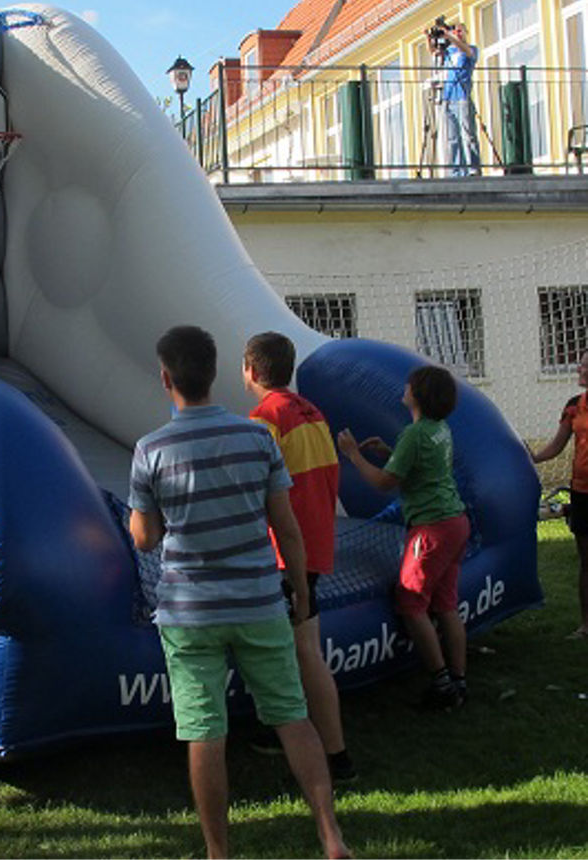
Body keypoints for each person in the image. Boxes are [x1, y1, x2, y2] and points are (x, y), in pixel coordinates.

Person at [129, 326, 349, 860]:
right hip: (258, 600)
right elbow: (288, 528)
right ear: (217, 372)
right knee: (292, 717)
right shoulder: (255, 439)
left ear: (166, 378)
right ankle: (330, 835)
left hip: (190, 610)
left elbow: (144, 537)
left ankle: (218, 852)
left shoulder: (151, 449)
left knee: (205, 732)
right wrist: (298, 590)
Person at [242, 332, 355, 783]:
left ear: (250, 370)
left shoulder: (264, 419)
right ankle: (288, 728)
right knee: (295, 647)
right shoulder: (313, 413)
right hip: (312, 546)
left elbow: (255, 491)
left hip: (286, 552)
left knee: (305, 651)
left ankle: (337, 756)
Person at [335, 365, 470, 711]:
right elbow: (419, 465)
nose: (405, 386)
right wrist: (387, 452)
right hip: (455, 521)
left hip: (432, 528)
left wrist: (354, 454)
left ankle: (441, 682)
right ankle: (458, 679)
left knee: (411, 604)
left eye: (410, 384)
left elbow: (384, 483)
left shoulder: (415, 435)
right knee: (445, 604)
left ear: (419, 394)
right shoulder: (437, 429)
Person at [529, 351, 588, 639]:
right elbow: (557, 445)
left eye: (585, 365)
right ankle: (586, 625)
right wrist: (533, 458)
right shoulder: (574, 406)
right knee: (586, 560)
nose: (580, 368)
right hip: (581, 492)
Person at [432, 20, 481, 177]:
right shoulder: (449, 52)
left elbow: (466, 51)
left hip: (462, 96)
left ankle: (474, 168)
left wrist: (449, 36)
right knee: (452, 137)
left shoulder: (471, 49)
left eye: (460, 30)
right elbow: (433, 51)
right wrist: (430, 37)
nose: (457, 33)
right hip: (448, 97)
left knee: (468, 134)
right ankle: (457, 170)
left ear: (465, 32)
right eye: (455, 31)